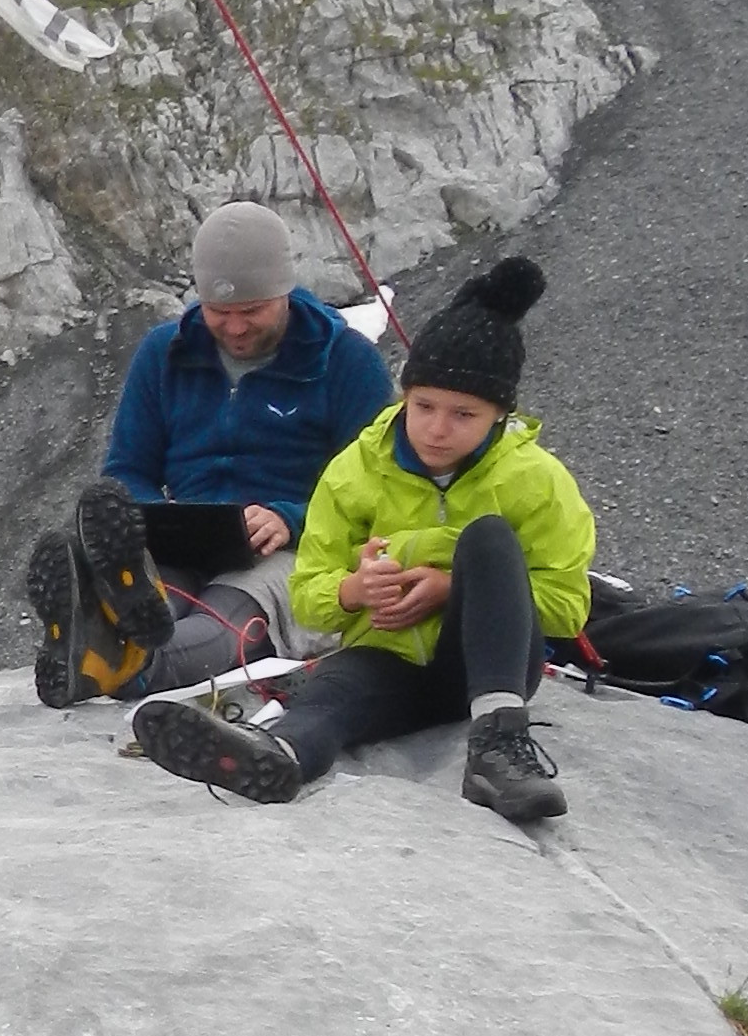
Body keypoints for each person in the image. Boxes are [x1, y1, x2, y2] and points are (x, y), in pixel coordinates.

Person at [131, 253, 591, 825]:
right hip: (386, 657)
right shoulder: (356, 469)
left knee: (489, 539)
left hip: (489, 667)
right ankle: (274, 755)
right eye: (423, 406)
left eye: (463, 414)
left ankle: (498, 747)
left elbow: (568, 607)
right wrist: (355, 591)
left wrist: (453, 588)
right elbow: (308, 594)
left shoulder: (537, 480)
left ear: (499, 417)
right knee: (331, 693)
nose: (437, 429)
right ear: (404, 395)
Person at [26, 195, 392, 705]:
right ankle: (104, 629)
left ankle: (122, 661)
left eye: (252, 311)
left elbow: (377, 491)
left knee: (223, 617)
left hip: (296, 548)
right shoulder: (163, 353)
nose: (235, 328)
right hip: (186, 542)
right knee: (157, 599)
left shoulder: (348, 362)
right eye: (218, 312)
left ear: (285, 291)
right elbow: (127, 469)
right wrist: (157, 519)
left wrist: (289, 517)